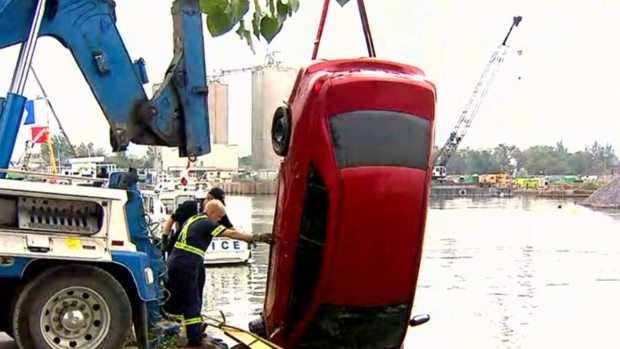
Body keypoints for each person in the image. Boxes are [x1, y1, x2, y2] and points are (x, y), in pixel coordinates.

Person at [164, 199, 273, 348]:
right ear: (213, 212)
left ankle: (173, 333)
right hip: (187, 265)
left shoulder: (193, 219)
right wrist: (255, 237)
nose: (220, 220)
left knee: (177, 300)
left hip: (175, 262)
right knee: (192, 300)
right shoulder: (206, 223)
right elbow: (230, 233)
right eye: (219, 217)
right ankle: (194, 339)